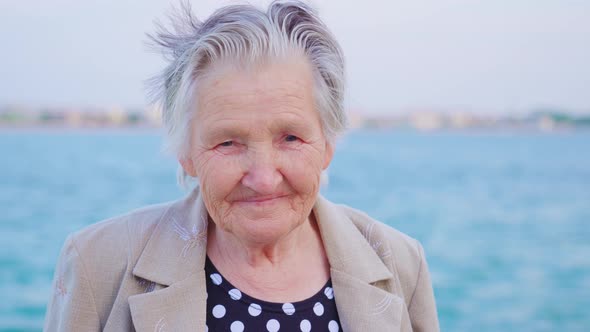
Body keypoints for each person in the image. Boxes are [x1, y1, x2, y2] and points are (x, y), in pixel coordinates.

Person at [44, 1, 439, 331]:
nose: (264, 177)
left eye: (290, 138)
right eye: (228, 142)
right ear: (187, 153)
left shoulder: (401, 263)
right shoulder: (99, 264)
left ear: (328, 143)